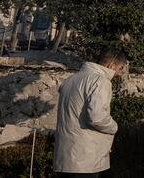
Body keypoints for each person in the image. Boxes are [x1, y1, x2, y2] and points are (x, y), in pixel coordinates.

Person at [54, 48, 127, 177]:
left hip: (64, 156)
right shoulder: (100, 81)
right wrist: (114, 127)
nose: (120, 73)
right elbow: (96, 118)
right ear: (112, 65)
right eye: (121, 68)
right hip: (85, 158)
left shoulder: (70, 80)